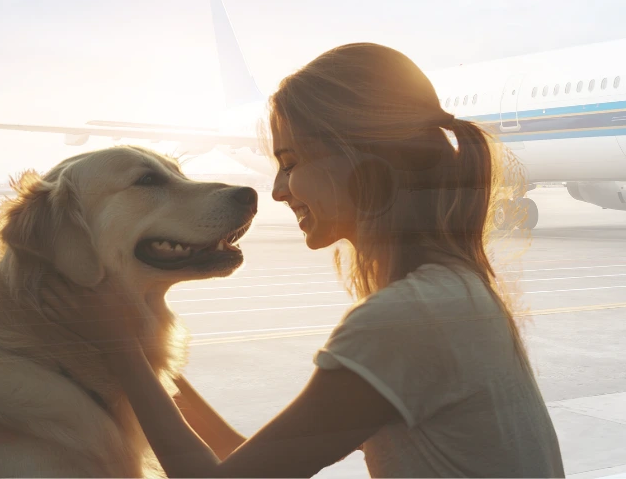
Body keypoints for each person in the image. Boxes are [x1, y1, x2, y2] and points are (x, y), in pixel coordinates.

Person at [42, 43, 564, 478]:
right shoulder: (452, 291)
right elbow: (253, 463)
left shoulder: (404, 321)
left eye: (291, 163)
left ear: (359, 159)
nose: (276, 190)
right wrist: (154, 366)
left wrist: (122, 353)